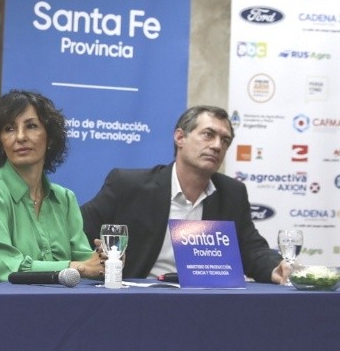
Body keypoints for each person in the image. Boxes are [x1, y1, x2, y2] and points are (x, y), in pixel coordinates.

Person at [80, 105, 289, 284]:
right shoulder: (129, 186)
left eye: (225, 141)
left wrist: (275, 268)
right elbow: (77, 230)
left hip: (203, 301)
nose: (217, 146)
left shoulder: (232, 193)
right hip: (138, 299)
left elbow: (252, 249)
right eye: (208, 135)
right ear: (180, 137)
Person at [0, 90, 103, 282]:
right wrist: (77, 267)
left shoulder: (65, 199)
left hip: (52, 304)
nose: (20, 137)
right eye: (9, 129)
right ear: (0, 142)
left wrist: (105, 261)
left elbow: (84, 259)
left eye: (31, 126)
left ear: (50, 139)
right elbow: (8, 268)